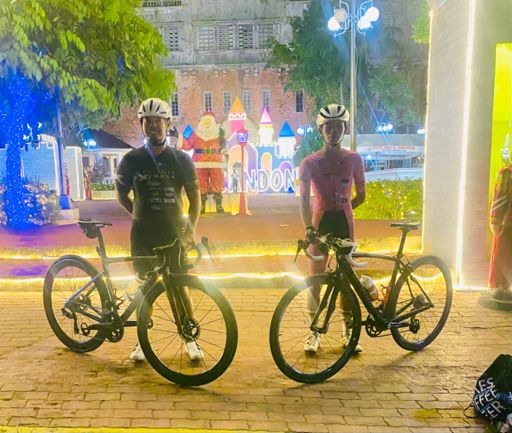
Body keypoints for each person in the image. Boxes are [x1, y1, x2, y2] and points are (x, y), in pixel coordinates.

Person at [115, 97, 202, 362]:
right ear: (141, 125)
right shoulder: (131, 160)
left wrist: (189, 230)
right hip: (143, 237)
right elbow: (121, 194)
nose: (153, 126)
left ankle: (189, 338)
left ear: (168, 122)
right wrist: (138, 214)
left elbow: (195, 200)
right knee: (146, 289)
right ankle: (142, 342)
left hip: (174, 235)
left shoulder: (181, 160)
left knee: (180, 286)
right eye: (147, 121)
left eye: (158, 121)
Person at [298, 104, 366, 354]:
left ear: (345, 128)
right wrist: (309, 228)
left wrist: (344, 209)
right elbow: (303, 200)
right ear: (320, 129)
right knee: (315, 280)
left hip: (344, 224)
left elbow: (362, 195)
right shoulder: (309, 163)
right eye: (329, 127)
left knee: (347, 280)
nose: (334, 131)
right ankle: (314, 331)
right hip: (320, 224)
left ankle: (348, 331)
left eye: (338, 126)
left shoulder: (355, 160)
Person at [179, 112, 227, 213]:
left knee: (217, 181)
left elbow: (224, 145)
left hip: (216, 162)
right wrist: (179, 138)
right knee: (201, 183)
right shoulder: (195, 135)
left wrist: (225, 153)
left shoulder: (220, 133)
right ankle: (202, 206)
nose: (207, 125)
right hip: (200, 163)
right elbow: (187, 145)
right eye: (205, 122)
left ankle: (219, 205)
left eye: (209, 122)